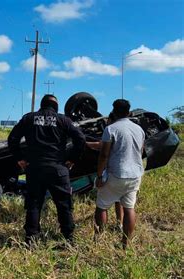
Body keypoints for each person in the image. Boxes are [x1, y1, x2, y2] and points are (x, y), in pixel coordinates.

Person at [8, 94, 85, 246]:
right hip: (58, 168)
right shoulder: (63, 120)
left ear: (41, 105)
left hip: (34, 168)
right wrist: (73, 159)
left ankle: (31, 239)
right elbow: (80, 138)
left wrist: (20, 158)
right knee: (63, 204)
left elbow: (12, 138)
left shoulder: (28, 118)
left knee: (34, 204)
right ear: (56, 106)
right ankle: (68, 238)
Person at [95, 99, 145, 249]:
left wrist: (99, 176)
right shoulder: (139, 129)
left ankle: (99, 240)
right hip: (135, 175)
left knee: (101, 207)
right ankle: (125, 244)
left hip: (117, 174)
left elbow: (104, 154)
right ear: (129, 113)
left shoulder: (110, 129)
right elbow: (141, 151)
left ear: (114, 111)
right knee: (129, 208)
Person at [86, 112, 124, 230]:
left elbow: (101, 148)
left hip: (114, 172)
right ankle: (120, 225)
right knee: (121, 201)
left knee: (102, 206)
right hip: (130, 173)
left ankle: (100, 234)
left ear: (112, 119)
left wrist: (84, 143)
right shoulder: (134, 129)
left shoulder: (111, 129)